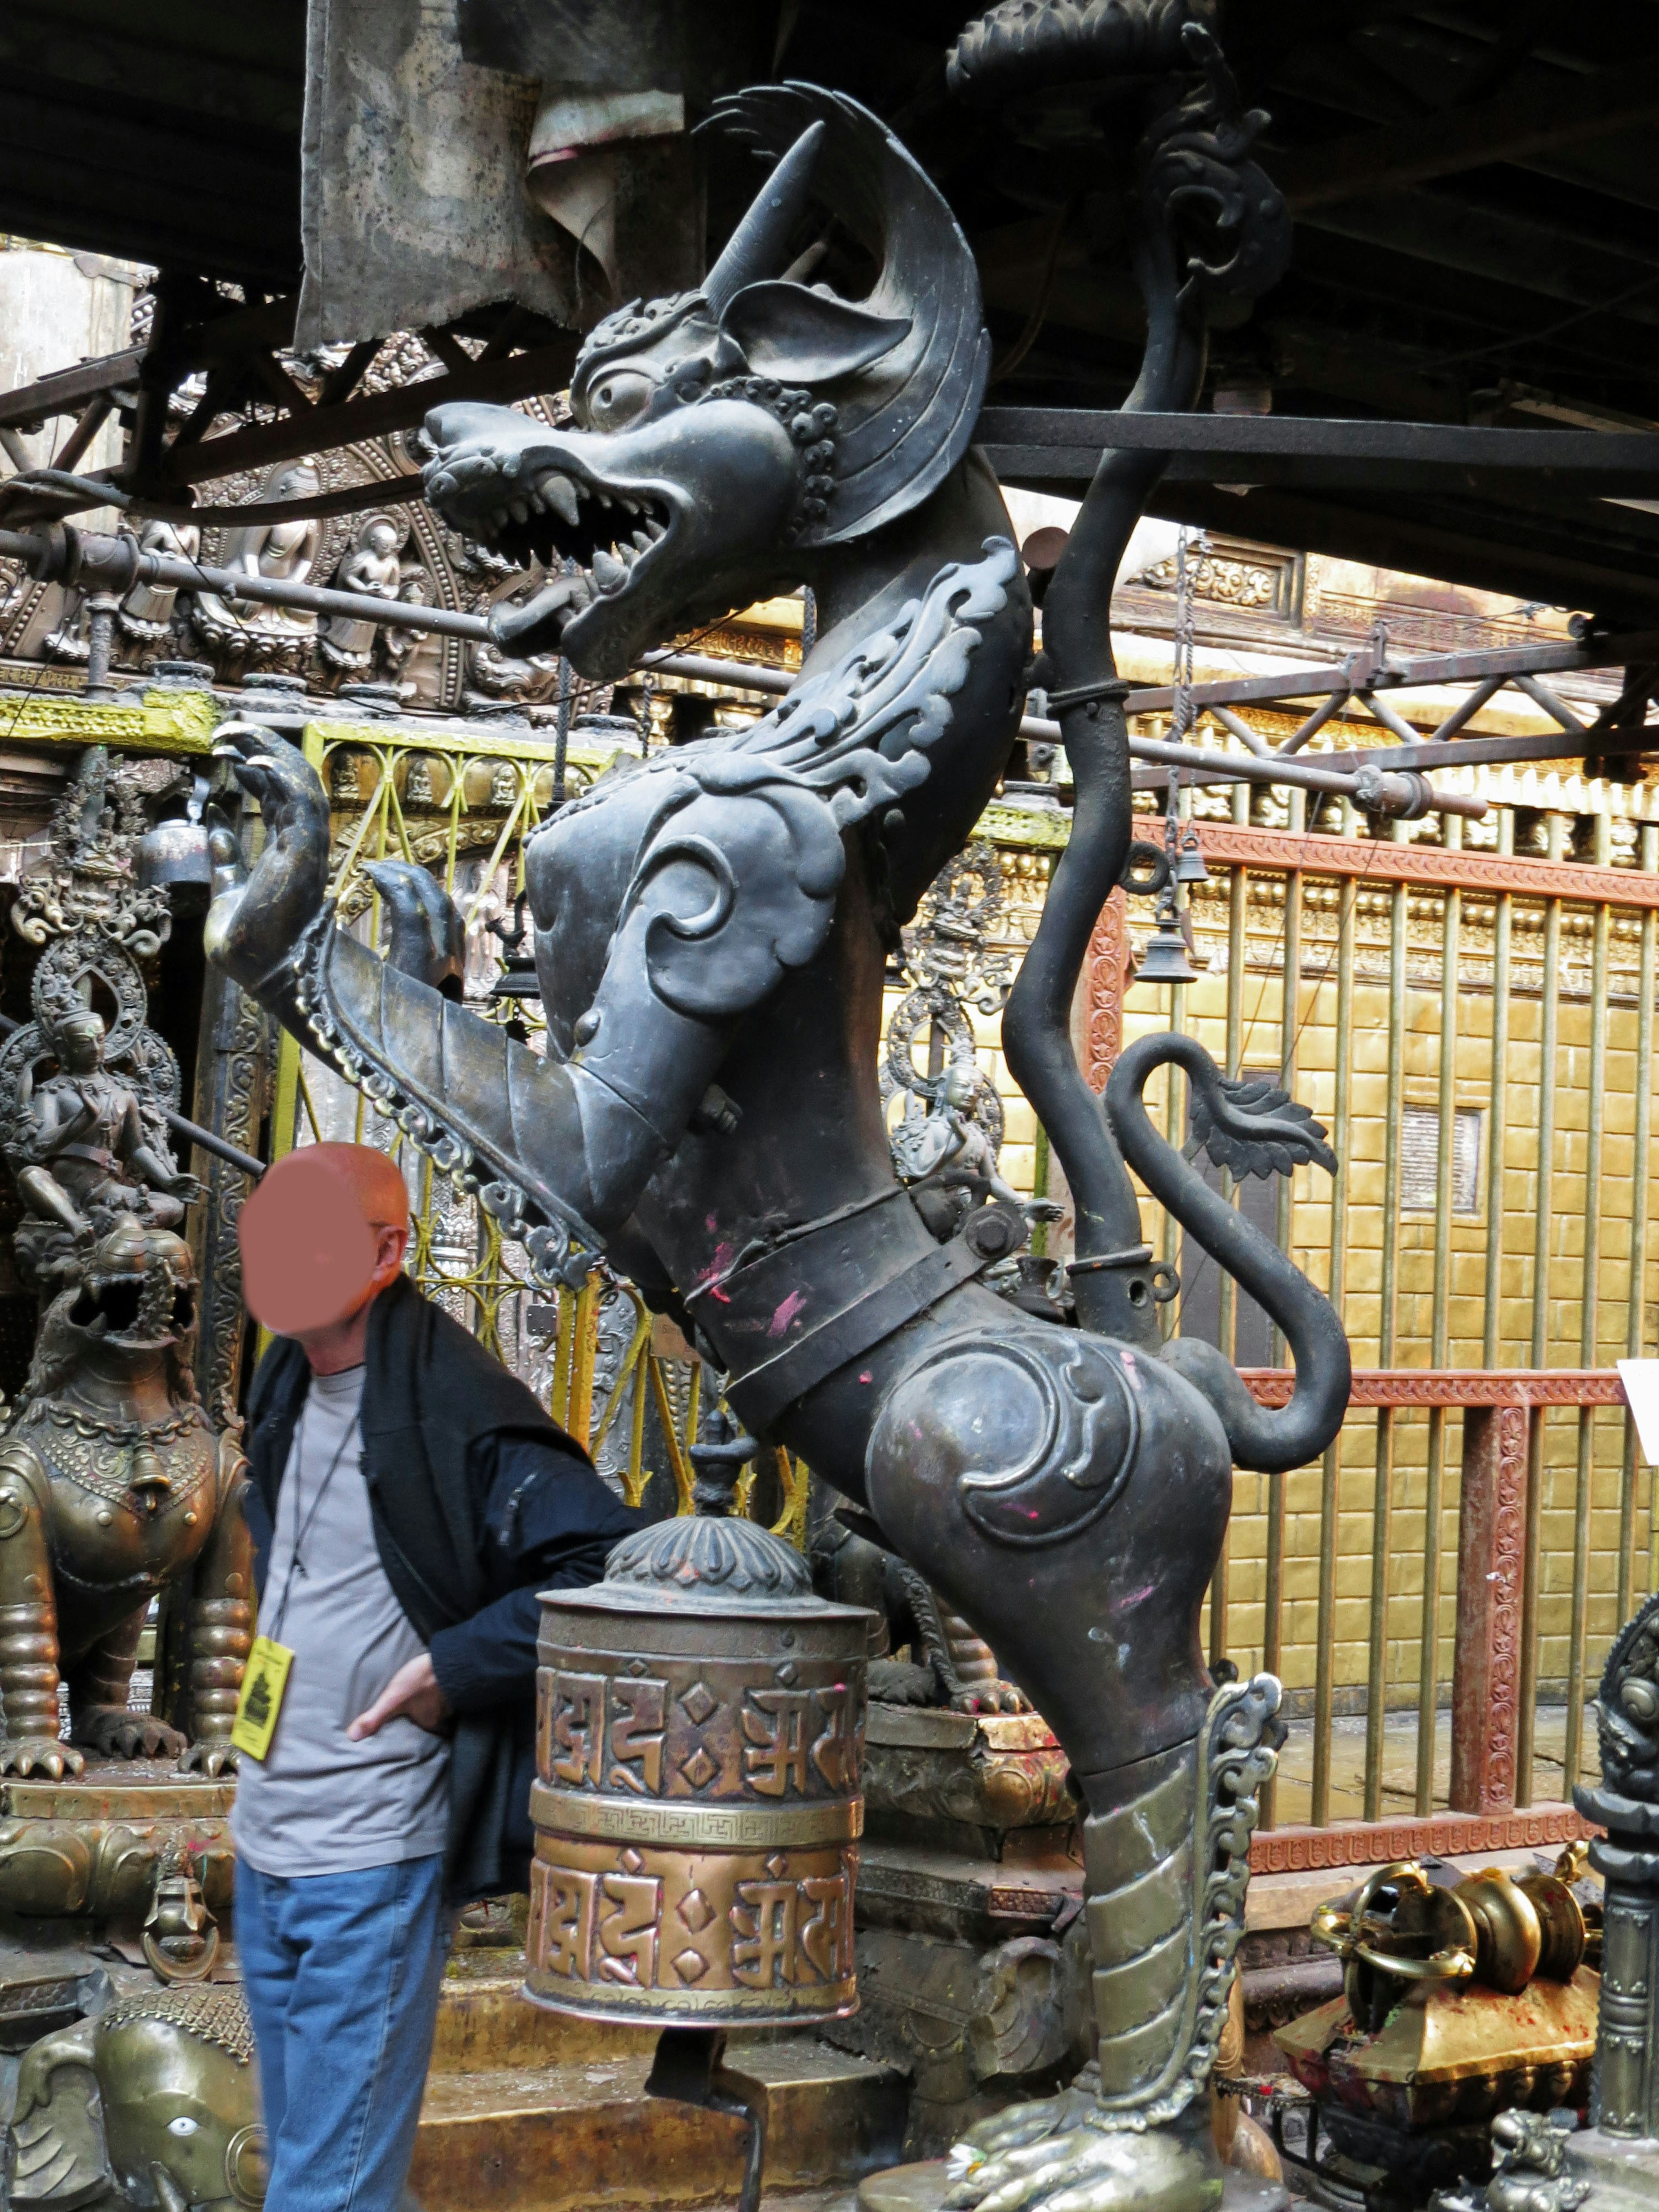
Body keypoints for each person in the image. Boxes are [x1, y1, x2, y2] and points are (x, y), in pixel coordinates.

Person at [231, 1141, 638, 2212]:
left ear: (386, 1252)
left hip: (370, 1854)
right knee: (336, 2174)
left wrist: (455, 1669)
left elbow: (610, 1561)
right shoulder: (283, 1379)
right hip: (266, 1836)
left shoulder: (456, 1403)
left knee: (325, 2192)